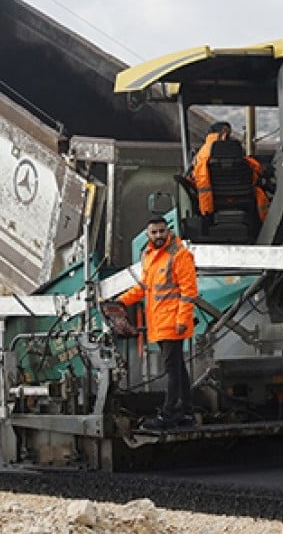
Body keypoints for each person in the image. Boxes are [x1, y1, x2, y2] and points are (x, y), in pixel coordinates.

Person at [105, 216, 199, 429]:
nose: (158, 235)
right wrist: (120, 301)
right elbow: (143, 288)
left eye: (161, 231)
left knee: (172, 369)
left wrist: (182, 320)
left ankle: (169, 414)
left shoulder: (179, 255)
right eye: (154, 232)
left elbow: (189, 291)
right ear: (147, 235)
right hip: (161, 322)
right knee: (177, 367)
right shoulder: (149, 256)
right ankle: (186, 412)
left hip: (172, 322)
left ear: (168, 231)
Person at [191, 121, 269, 221]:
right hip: (243, 194)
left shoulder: (202, 154)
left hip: (215, 198)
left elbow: (202, 180)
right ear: (224, 131)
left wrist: (206, 210)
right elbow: (255, 170)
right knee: (260, 193)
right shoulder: (235, 151)